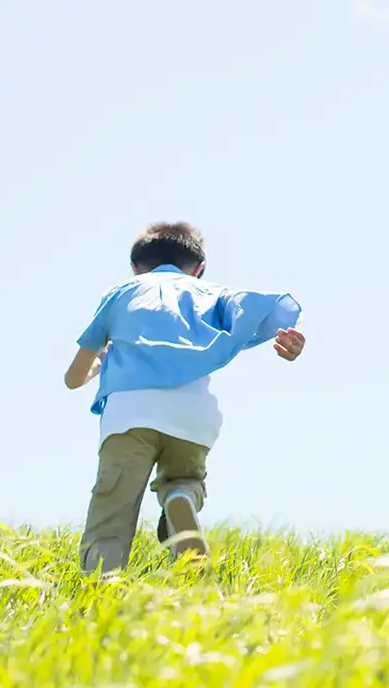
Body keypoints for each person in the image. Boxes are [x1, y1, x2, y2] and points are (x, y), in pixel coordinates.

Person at [64, 222, 306, 573]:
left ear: (136, 268)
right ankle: (180, 498)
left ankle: (100, 589)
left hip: (129, 414)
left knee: (111, 511)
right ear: (198, 269)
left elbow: (74, 378)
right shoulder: (211, 293)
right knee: (185, 481)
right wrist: (290, 345)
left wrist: (100, 363)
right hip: (192, 417)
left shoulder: (122, 293)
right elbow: (262, 309)